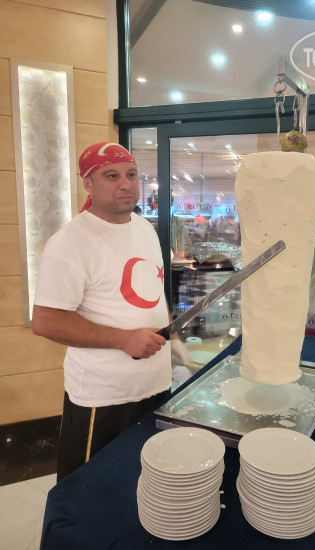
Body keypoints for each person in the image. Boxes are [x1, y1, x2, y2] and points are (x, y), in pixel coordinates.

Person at [32, 142, 190, 481]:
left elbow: (151, 293)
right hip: (103, 397)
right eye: (111, 176)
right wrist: (123, 339)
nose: (125, 184)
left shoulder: (144, 228)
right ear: (88, 184)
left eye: (131, 174)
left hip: (156, 386)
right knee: (89, 489)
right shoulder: (71, 242)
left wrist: (172, 334)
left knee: (143, 482)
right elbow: (45, 322)